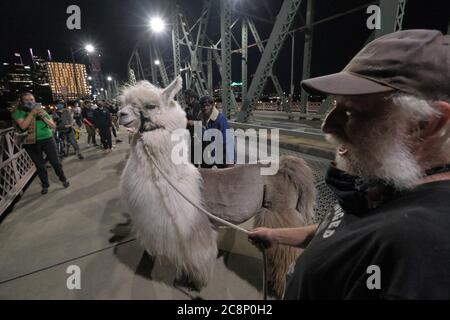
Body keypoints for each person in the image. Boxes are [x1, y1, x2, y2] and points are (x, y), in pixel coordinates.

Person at [249, 30, 450, 299]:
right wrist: (279, 236)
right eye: (334, 106)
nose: (327, 124)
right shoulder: (384, 187)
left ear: (424, 125)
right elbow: (345, 229)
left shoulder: (420, 251)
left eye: (352, 112)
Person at [11, 93, 70, 194]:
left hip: (47, 139)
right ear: (21, 101)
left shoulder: (41, 110)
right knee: (40, 166)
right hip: (30, 142)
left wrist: (42, 117)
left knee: (55, 162)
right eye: (26, 100)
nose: (30, 102)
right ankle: (45, 184)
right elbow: (23, 126)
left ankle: (63, 178)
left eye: (31, 99)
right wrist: (32, 113)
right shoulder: (18, 112)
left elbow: (53, 126)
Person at [199, 95, 234, 168]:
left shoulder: (220, 119)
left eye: (208, 105)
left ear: (212, 105)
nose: (205, 108)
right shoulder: (201, 119)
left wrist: (230, 160)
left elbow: (227, 140)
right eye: (203, 106)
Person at [184, 89, 201, 163]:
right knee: (192, 157)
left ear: (190, 97)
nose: (184, 99)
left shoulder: (198, 106)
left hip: (199, 135)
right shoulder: (187, 108)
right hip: (191, 135)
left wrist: (193, 123)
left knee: (197, 158)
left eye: (186, 97)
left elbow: (205, 122)